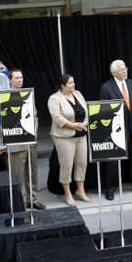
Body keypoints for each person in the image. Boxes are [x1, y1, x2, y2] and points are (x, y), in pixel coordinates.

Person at [99, 60, 132, 200]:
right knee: (113, 160)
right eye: (121, 69)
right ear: (114, 73)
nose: (125, 71)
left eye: (125, 68)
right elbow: (104, 111)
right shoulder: (106, 88)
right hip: (116, 130)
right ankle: (110, 188)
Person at [48, 73, 91, 206]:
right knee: (67, 165)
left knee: (82, 163)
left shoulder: (78, 94)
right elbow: (57, 117)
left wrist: (84, 124)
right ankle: (67, 194)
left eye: (73, 82)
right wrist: (73, 125)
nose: (73, 85)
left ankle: (80, 190)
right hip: (64, 137)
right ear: (62, 86)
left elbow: (87, 110)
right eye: (70, 83)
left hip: (81, 134)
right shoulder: (54, 98)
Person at [7, 69, 45, 210]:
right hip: (16, 142)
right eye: (16, 78)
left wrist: (32, 134)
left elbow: (34, 116)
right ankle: (21, 202)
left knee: (32, 172)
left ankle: (32, 199)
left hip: (30, 140)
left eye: (21, 77)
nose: (19, 80)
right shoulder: (5, 97)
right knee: (19, 175)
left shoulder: (28, 95)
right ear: (10, 80)